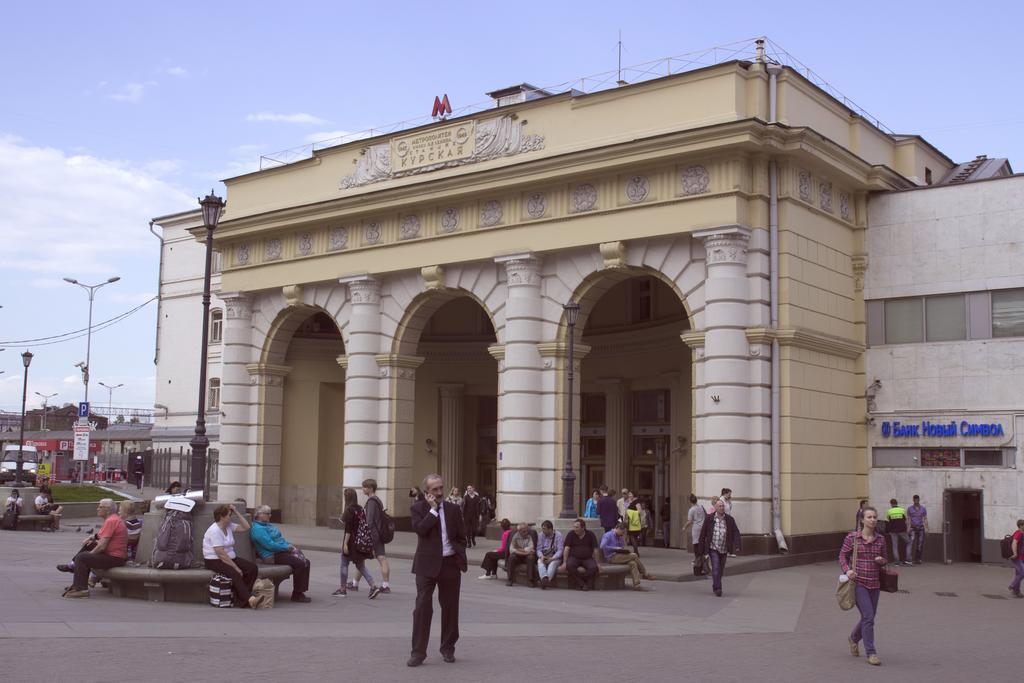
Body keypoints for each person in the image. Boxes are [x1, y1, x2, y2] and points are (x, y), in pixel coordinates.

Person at [408, 473, 467, 667]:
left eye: (441, 488)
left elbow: (461, 535)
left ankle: (448, 648)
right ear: (427, 493)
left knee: (450, 608)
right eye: (435, 489)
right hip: (426, 566)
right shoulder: (418, 508)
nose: (440, 492)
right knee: (422, 607)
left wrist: (458, 550)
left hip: (449, 564)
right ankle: (418, 652)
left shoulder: (453, 509)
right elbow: (421, 530)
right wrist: (433, 511)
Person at [839, 505, 888, 666]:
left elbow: (886, 559)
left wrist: (881, 561)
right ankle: (871, 653)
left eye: (875, 517)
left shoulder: (880, 539)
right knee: (868, 617)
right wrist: (847, 571)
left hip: (875, 583)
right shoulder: (852, 538)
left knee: (869, 617)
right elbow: (842, 556)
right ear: (862, 520)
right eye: (869, 517)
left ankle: (853, 638)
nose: (873, 520)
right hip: (858, 583)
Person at [62, 499, 128, 599]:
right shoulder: (113, 519)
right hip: (114, 555)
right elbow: (100, 537)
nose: (97, 509)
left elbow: (102, 546)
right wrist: (91, 540)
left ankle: (81, 589)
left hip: (115, 558)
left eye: (100, 507)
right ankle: (77, 580)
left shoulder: (111, 521)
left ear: (108, 509)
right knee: (88, 547)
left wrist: (90, 554)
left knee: (82, 557)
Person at [202, 504, 263, 608]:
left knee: (252, 568)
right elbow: (221, 554)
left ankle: (242, 599)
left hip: (230, 557)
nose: (231, 517)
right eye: (229, 515)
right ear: (222, 516)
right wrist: (236, 567)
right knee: (235, 573)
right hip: (214, 560)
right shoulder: (214, 530)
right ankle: (250, 600)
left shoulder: (229, 526)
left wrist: (236, 511)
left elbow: (246, 527)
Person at [250, 504, 312, 603]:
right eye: (267, 513)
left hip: (280, 551)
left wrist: (290, 546)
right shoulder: (257, 529)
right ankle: (297, 594)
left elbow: (280, 540)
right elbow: (269, 545)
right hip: (271, 555)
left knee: (306, 562)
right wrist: (286, 547)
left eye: (270, 513)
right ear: (259, 514)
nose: (269, 516)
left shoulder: (267, 525)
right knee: (299, 564)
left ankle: (301, 591)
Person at [335, 487, 382, 599]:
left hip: (351, 542)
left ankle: (342, 589)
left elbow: (348, 529)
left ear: (347, 498)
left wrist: (345, 544)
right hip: (360, 542)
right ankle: (373, 586)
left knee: (344, 564)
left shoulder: (349, 510)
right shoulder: (360, 508)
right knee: (360, 565)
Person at [697, 498, 741, 597]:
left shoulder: (729, 519)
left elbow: (735, 532)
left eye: (723, 506)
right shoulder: (709, 518)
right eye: (720, 506)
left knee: (720, 570)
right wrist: (701, 550)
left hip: (724, 548)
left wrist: (737, 544)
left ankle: (715, 584)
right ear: (715, 508)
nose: (722, 508)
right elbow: (703, 534)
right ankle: (718, 589)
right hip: (713, 548)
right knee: (716, 567)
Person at [601, 522, 655, 591]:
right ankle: (645, 574)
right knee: (634, 555)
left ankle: (637, 585)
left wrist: (623, 547)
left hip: (619, 556)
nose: (623, 534)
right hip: (611, 557)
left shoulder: (620, 537)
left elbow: (622, 546)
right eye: (622, 532)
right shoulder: (608, 535)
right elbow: (602, 546)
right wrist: (614, 548)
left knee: (633, 563)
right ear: (618, 529)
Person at [360, 478, 392, 592]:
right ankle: (385, 585)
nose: (362, 489)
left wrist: (365, 535)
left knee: (361, 558)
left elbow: (369, 521)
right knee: (381, 558)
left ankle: (354, 583)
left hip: (373, 534)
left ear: (370, 488)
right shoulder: (378, 500)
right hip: (379, 533)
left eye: (364, 487)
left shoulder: (371, 501)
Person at [562, 518, 599, 591]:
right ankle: (582, 584)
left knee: (594, 567)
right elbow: (567, 548)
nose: (575, 529)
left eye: (577, 527)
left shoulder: (590, 534)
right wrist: (564, 562)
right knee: (569, 565)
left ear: (583, 527)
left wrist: (598, 563)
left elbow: (595, 549)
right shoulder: (571, 534)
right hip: (574, 557)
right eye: (574, 527)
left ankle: (580, 580)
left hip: (587, 558)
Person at [506, 522, 537, 587]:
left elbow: (530, 548)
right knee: (511, 557)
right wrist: (525, 552)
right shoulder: (514, 536)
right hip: (518, 556)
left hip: (526, 556)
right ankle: (510, 579)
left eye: (527, 531)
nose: (526, 533)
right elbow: (512, 550)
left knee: (531, 558)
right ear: (519, 531)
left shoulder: (530, 536)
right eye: (524, 531)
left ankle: (530, 580)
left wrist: (519, 549)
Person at [535, 520, 563, 589]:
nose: (543, 531)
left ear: (550, 529)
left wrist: (552, 559)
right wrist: (541, 556)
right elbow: (538, 549)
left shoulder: (558, 535)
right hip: (544, 556)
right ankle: (545, 580)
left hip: (554, 557)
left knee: (552, 564)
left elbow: (560, 550)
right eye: (542, 529)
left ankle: (544, 582)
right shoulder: (541, 535)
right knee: (540, 562)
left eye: (544, 529)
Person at [885, 498, 910, 566]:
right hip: (902, 530)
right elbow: (906, 520)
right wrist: (907, 529)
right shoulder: (902, 510)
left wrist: (888, 531)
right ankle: (908, 559)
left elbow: (887, 522)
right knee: (909, 542)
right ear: (897, 503)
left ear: (891, 504)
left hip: (893, 531)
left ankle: (897, 562)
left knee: (895, 546)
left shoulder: (889, 511)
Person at [906, 495, 928, 565]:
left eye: (917, 499)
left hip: (921, 528)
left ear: (919, 500)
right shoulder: (910, 508)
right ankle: (909, 559)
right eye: (915, 500)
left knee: (920, 544)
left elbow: (925, 518)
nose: (916, 501)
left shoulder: (923, 508)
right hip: (913, 528)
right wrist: (908, 528)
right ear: (913, 500)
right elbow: (908, 519)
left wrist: (927, 528)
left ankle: (918, 559)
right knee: (911, 543)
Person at [1008, 519, 1024, 598]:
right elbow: (1014, 543)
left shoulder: (1022, 533)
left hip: (1022, 557)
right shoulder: (1018, 533)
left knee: (1018, 573)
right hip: (1017, 558)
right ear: (1021, 526)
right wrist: (1014, 553)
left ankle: (1016, 591)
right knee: (1022, 573)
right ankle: (1012, 585)